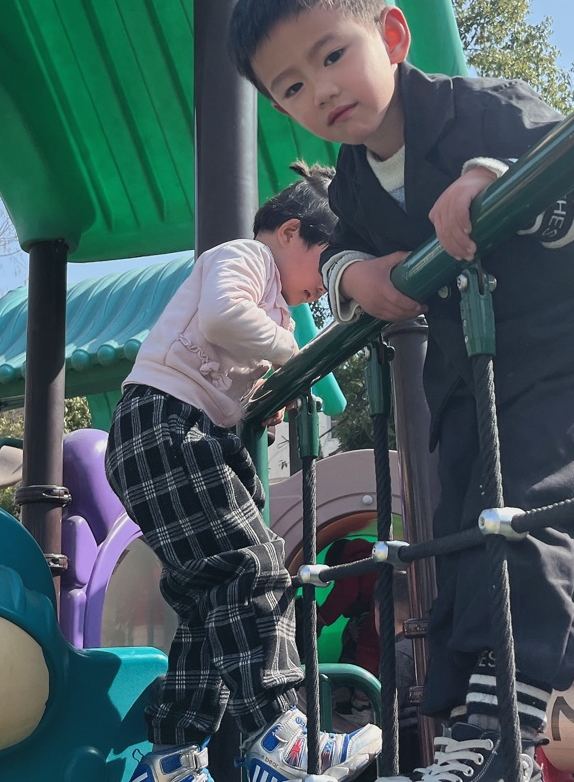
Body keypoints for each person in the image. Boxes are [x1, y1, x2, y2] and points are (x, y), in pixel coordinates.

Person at [229, 0, 574, 782]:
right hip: (468, 369)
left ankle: (505, 731)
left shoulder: (483, 111)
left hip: (568, 345)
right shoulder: (352, 182)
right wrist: (354, 275)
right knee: (456, 532)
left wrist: (496, 182)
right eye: (292, 87)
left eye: (332, 55)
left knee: (536, 503)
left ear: (391, 35)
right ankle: (466, 734)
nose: (322, 91)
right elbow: (340, 250)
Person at [106, 163, 382, 782]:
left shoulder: (277, 304)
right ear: (290, 232)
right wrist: (295, 357)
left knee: (209, 599)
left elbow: (230, 358)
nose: (326, 285)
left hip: (163, 434)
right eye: (326, 263)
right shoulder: (247, 258)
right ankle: (280, 735)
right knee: (250, 567)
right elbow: (222, 318)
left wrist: (263, 391)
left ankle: (173, 758)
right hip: (167, 423)